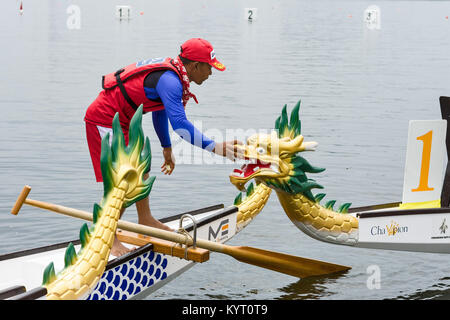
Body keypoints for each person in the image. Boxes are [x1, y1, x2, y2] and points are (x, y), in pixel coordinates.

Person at [84, 38, 242, 256]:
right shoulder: (171, 81)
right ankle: (106, 236)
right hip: (104, 119)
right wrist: (215, 147)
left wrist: (166, 147)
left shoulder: (173, 75)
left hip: (122, 120)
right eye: (209, 68)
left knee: (142, 168)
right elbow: (180, 124)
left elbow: (159, 110)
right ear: (195, 66)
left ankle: (145, 219)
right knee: (124, 178)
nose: (210, 74)